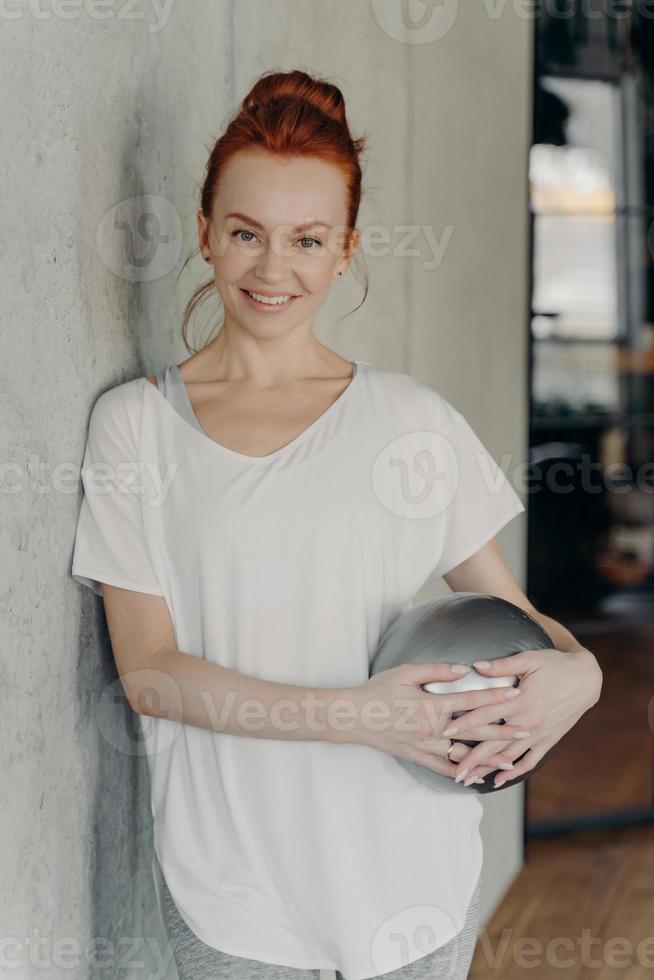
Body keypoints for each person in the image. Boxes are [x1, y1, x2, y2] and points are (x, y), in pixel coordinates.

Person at [70, 69, 601, 980]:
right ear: (205, 234)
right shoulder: (137, 426)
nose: (274, 270)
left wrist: (581, 676)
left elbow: (518, 617)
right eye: (246, 234)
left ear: (346, 248)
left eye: (307, 240)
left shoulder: (411, 422)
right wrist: (359, 717)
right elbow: (149, 674)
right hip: (236, 903)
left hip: (413, 889)